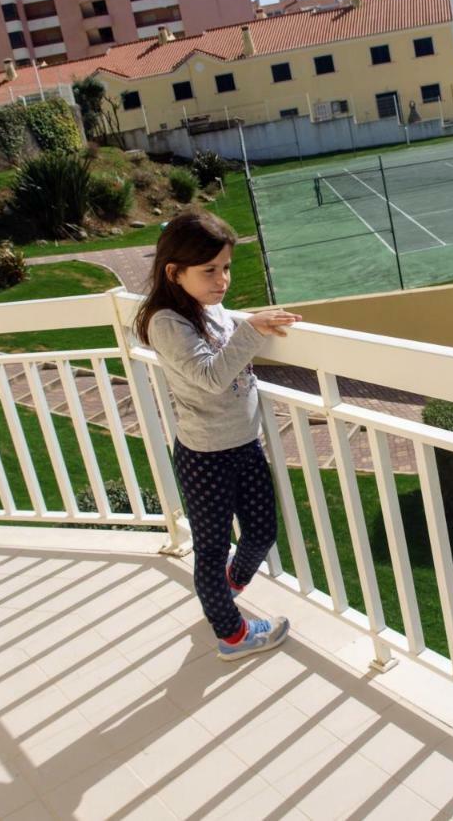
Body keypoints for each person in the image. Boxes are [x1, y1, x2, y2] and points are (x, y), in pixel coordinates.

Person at [134, 208, 302, 661]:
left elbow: (231, 341)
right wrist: (249, 331)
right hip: (206, 455)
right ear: (175, 272)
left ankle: (224, 590)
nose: (222, 279)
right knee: (211, 548)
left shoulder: (211, 308)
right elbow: (210, 376)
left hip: (245, 444)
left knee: (262, 532)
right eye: (209, 270)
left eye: (226, 267)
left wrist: (250, 325)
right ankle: (231, 634)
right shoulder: (168, 323)